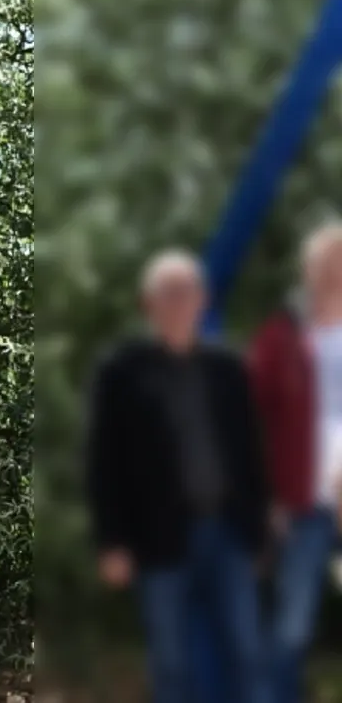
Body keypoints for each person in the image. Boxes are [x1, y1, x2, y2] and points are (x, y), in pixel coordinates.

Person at [85, 250, 269, 703]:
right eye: (166, 293)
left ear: (202, 301)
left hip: (229, 532)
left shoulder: (228, 370)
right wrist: (112, 542)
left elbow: (251, 455)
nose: (177, 302)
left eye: (186, 292)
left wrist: (260, 534)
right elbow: (103, 462)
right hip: (158, 538)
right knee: (171, 664)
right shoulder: (122, 372)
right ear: (148, 303)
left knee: (247, 653)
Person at [248, 223, 342, 703]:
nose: (333, 273)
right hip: (305, 505)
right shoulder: (282, 336)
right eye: (324, 265)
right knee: (290, 628)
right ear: (308, 272)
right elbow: (246, 420)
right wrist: (267, 497)